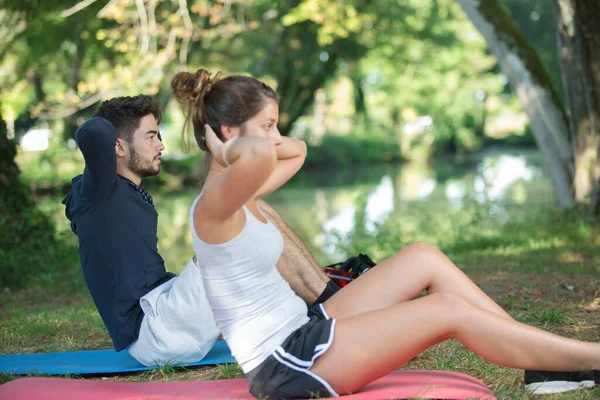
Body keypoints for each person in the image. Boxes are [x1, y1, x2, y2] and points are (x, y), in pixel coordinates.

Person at [171, 68, 599, 399]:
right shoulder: (214, 206)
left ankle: (540, 359)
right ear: (228, 133)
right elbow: (262, 155)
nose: (277, 136)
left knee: (422, 256)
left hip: (306, 326)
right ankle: (589, 360)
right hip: (285, 363)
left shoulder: (241, 192)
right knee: (446, 309)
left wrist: (251, 138)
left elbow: (296, 152)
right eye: (268, 125)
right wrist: (229, 148)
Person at [62, 95, 339, 367]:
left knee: (248, 207)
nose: (161, 145)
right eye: (151, 137)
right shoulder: (98, 192)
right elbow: (93, 130)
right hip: (157, 333)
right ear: (118, 147)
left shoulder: (124, 194)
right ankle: (334, 308)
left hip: (167, 316)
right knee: (238, 214)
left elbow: (297, 150)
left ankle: (328, 303)